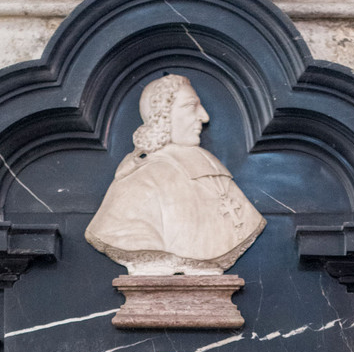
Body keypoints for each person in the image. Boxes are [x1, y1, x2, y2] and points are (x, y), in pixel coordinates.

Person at [85, 74, 265, 275]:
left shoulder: (214, 172)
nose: (204, 117)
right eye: (191, 106)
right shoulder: (138, 181)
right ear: (162, 116)